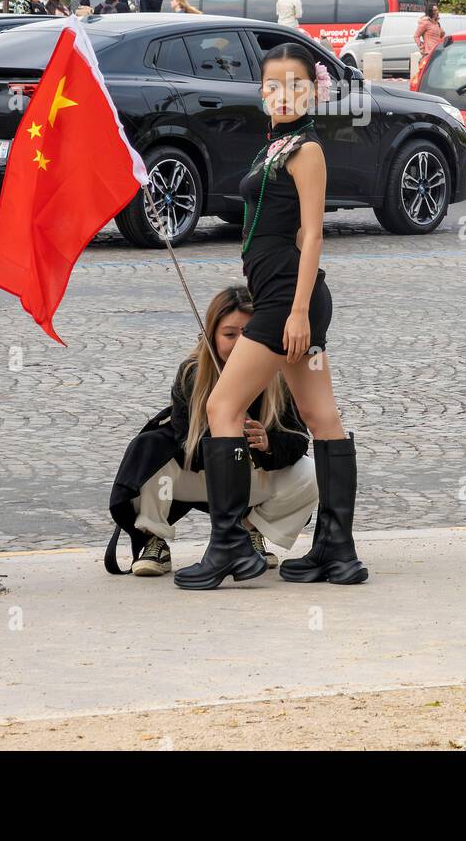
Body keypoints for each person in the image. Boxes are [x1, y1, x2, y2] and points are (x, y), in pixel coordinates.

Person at [173, 41, 368, 590]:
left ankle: (230, 545)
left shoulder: (306, 150)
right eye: (273, 85)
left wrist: (300, 310)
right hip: (281, 299)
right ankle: (338, 550)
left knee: (221, 404)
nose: (283, 94)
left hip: (288, 302)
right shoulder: (276, 144)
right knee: (322, 418)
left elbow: (311, 233)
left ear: (315, 92)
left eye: (295, 85)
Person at [121, 286, 319, 578]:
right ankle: (153, 538)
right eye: (229, 334)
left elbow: (299, 439)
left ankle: (249, 531)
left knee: (313, 474)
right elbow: (179, 437)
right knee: (149, 455)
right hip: (201, 476)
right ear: (212, 334)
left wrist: (268, 443)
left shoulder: (277, 373)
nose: (240, 342)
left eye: (249, 333)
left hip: (253, 476)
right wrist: (220, 437)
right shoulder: (192, 372)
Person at [414, 3, 445, 67]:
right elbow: (416, 36)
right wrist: (421, 47)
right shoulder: (425, 22)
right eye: (435, 10)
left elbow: (441, 35)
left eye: (437, 10)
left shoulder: (437, 23)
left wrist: (442, 34)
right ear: (430, 12)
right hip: (429, 53)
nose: (437, 12)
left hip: (438, 52)